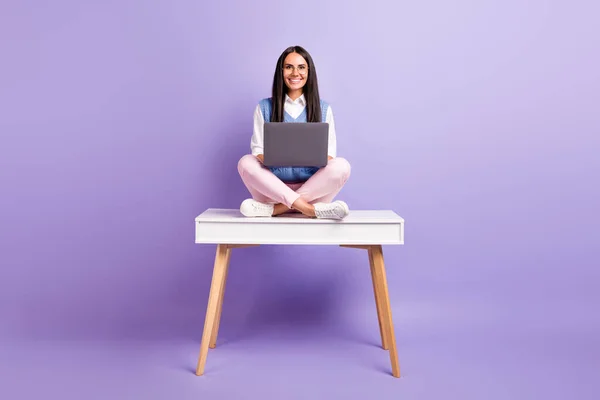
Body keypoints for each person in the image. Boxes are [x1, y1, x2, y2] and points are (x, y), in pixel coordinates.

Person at [237, 45, 351, 220]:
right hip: (273, 189)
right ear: (281, 71)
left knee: (342, 165)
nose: (295, 73)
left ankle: (277, 210)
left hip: (313, 190)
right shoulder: (264, 107)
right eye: (289, 67)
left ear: (309, 71)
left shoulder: (323, 108)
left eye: (301, 67)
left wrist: (305, 158)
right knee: (246, 162)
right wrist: (279, 158)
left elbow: (329, 155)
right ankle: (309, 210)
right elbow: (258, 150)